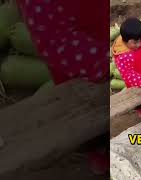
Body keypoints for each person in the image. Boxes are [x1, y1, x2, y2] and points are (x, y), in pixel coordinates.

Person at [16, 0, 108, 175]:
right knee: (92, 117)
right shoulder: (39, 5)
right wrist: (105, 61)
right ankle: (100, 151)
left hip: (103, 33)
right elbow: (56, 42)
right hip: (82, 66)